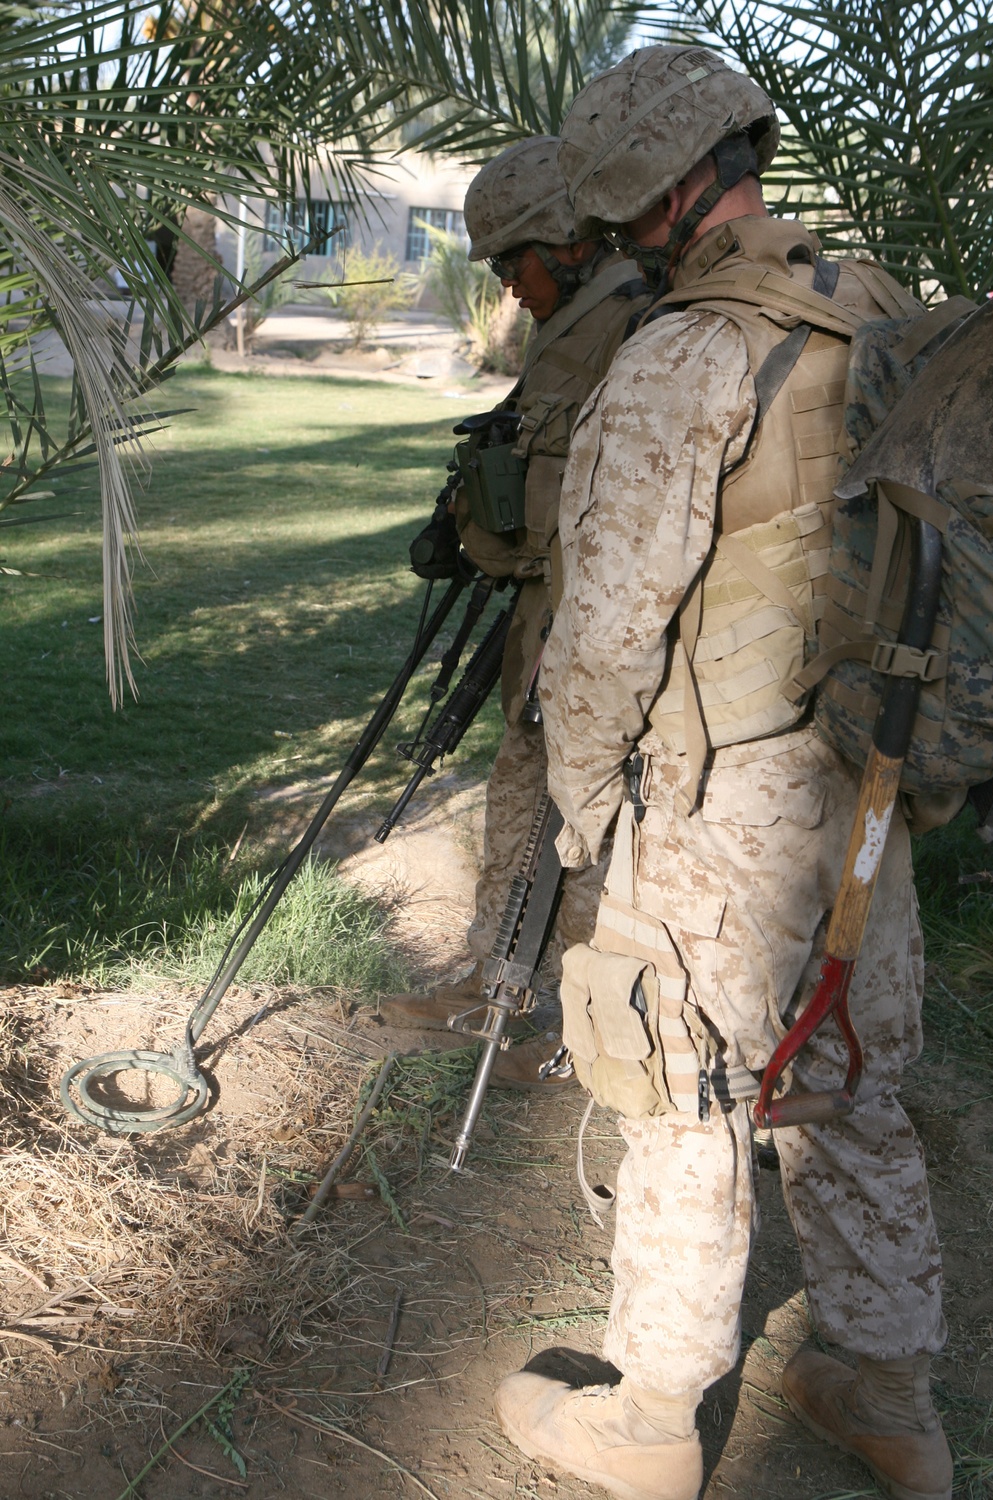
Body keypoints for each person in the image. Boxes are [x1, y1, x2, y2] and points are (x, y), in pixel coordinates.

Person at [493, 45, 952, 1500]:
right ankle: (891, 1402)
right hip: (865, 784)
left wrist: (579, 813)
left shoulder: (679, 359)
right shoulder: (874, 311)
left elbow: (603, 636)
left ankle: (648, 1425)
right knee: (855, 1086)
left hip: (713, 805)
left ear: (637, 198)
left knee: (684, 1100)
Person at [383, 136, 648, 1087]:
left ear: (567, 238)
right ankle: (491, 983)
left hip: (598, 633)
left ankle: (590, 1033)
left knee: (593, 829)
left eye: (513, 262)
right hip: (544, 620)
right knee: (519, 795)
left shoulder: (637, 323)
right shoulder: (570, 322)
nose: (506, 286)